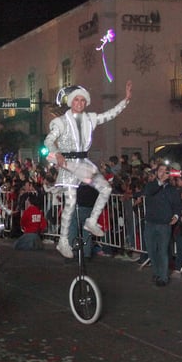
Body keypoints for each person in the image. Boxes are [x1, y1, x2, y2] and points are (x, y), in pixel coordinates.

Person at [44, 81, 132, 259]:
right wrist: (57, 153)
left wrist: (126, 100)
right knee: (70, 203)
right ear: (70, 102)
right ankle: (63, 241)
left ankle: (92, 221)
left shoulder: (90, 118)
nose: (79, 103)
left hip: (83, 163)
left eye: (82, 100)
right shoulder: (60, 122)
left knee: (106, 188)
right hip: (68, 164)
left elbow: (109, 115)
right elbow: (48, 141)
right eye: (76, 100)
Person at [143, 164, 181, 286]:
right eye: (161, 170)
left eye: (166, 171)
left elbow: (177, 205)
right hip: (150, 223)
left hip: (164, 224)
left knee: (163, 251)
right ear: (156, 172)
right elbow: (149, 192)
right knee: (151, 250)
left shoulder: (172, 189)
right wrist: (159, 181)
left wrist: (176, 216)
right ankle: (157, 272)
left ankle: (163, 277)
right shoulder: (151, 185)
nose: (163, 173)